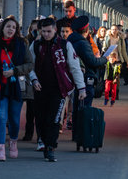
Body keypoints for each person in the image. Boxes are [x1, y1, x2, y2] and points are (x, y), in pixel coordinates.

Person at [31, 18, 86, 162]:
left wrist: (81, 88)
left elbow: (74, 67)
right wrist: (34, 79)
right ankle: (43, 139)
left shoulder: (65, 45)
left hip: (59, 89)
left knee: (54, 119)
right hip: (40, 88)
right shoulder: (36, 45)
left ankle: (50, 148)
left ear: (55, 30)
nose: (46, 34)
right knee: (41, 119)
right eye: (43, 32)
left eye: (49, 31)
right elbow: (29, 65)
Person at [0, 16, 34, 161]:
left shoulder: (21, 45)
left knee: (14, 119)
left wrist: (15, 71)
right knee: (0, 117)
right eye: (8, 27)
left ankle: (13, 143)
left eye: (13, 27)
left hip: (16, 87)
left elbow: (30, 64)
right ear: (2, 29)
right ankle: (0, 149)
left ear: (16, 30)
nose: (10, 29)